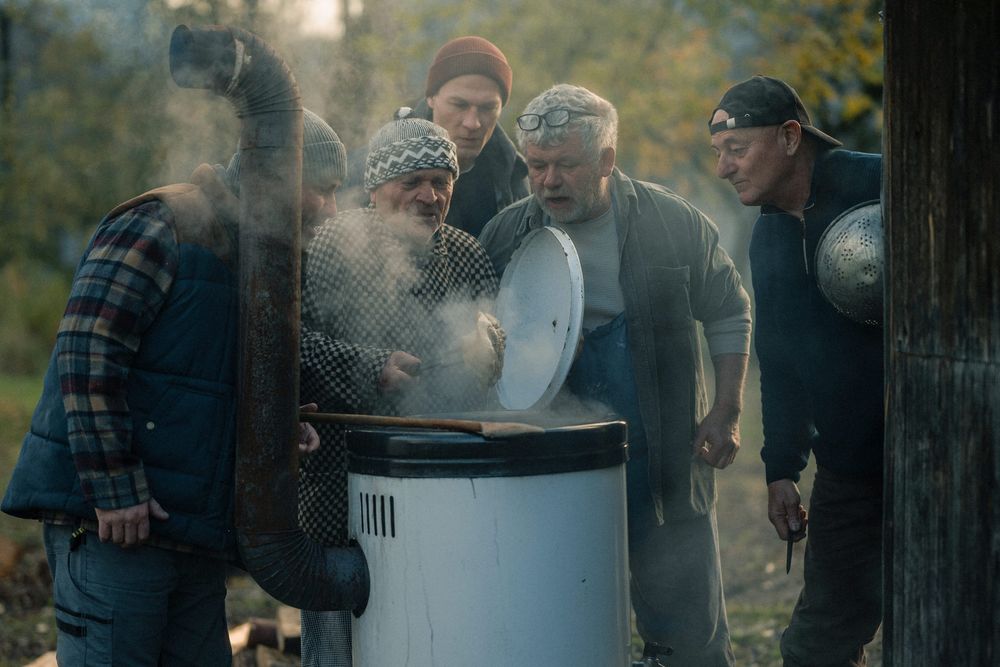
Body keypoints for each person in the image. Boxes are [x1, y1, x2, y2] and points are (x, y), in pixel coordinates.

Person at [0, 108, 345, 665]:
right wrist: (115, 488)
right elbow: (88, 350)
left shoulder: (261, 260)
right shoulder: (163, 222)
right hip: (114, 526)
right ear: (279, 177)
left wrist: (279, 423)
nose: (329, 209)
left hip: (193, 531)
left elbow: (206, 378)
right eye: (322, 191)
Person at [478, 83, 752, 666]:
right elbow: (478, 351)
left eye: (566, 165)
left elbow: (729, 310)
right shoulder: (505, 236)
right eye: (537, 166)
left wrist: (726, 412)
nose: (548, 181)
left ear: (606, 161)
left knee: (686, 638)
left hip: (665, 468)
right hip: (550, 473)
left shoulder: (672, 222)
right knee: (561, 630)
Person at [297, 116, 504, 666]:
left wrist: (491, 348)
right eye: (411, 180)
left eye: (441, 180)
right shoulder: (329, 243)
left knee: (431, 628)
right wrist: (369, 368)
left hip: (442, 482)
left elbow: (497, 340)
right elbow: (289, 344)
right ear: (376, 186)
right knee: (340, 635)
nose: (428, 195)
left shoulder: (466, 252)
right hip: (340, 482)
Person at [708, 75, 883, 667]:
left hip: (944, 451)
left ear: (789, 137)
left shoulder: (882, 184)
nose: (724, 168)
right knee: (815, 648)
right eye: (718, 154)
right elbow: (779, 360)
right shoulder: (770, 236)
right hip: (851, 468)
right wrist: (781, 467)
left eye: (736, 149)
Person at [341, 35, 528, 237]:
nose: (472, 123)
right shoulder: (369, 168)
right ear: (431, 98)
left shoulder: (514, 176)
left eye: (488, 107)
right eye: (459, 104)